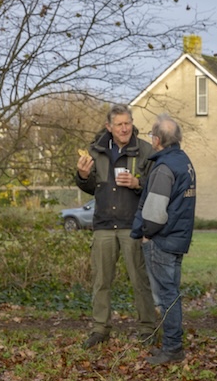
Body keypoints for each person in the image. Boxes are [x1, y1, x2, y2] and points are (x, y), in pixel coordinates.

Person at [76, 104, 158, 348]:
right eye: (119, 124)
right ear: (108, 127)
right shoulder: (95, 151)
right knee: (101, 280)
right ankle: (100, 329)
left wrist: (137, 182)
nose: (124, 128)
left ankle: (147, 328)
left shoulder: (145, 150)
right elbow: (90, 186)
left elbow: (156, 184)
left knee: (139, 280)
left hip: (133, 224)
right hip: (103, 224)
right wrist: (81, 176)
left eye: (128, 123)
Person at [130, 115, 196, 366]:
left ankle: (172, 347)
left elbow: (155, 212)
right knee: (172, 293)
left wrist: (146, 232)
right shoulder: (184, 162)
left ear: (156, 140)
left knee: (166, 296)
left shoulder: (163, 168)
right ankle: (173, 343)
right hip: (178, 237)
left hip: (163, 240)